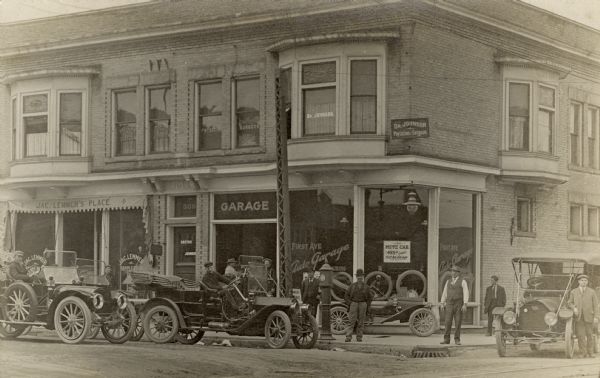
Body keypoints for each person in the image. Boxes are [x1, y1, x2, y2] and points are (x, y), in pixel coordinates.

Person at [567, 274, 599, 358]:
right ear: (578, 282)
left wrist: (596, 317)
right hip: (579, 317)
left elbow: (596, 305)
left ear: (587, 282)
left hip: (589, 317)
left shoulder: (592, 292)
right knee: (581, 336)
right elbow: (569, 303)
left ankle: (590, 353)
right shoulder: (574, 291)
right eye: (582, 280)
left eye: (585, 281)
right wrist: (574, 308)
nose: (584, 282)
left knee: (590, 335)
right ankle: (582, 353)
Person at [439, 265, 469, 345]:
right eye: (452, 271)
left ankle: (457, 339)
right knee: (447, 322)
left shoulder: (463, 281)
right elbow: (445, 292)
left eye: (454, 271)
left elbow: (466, 293)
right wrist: (442, 303)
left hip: (458, 304)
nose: (453, 273)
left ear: (458, 273)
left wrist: (465, 304)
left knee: (458, 322)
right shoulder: (448, 281)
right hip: (449, 304)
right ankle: (446, 339)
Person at [344, 268, 373, 342]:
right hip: (354, 303)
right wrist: (350, 303)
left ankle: (359, 337)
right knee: (351, 321)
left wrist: (367, 305)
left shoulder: (366, 287)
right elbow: (346, 295)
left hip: (363, 304)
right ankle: (348, 336)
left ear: (362, 277)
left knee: (361, 321)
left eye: (361, 277)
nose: (359, 278)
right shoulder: (352, 286)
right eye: (358, 277)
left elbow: (370, 297)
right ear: (356, 277)